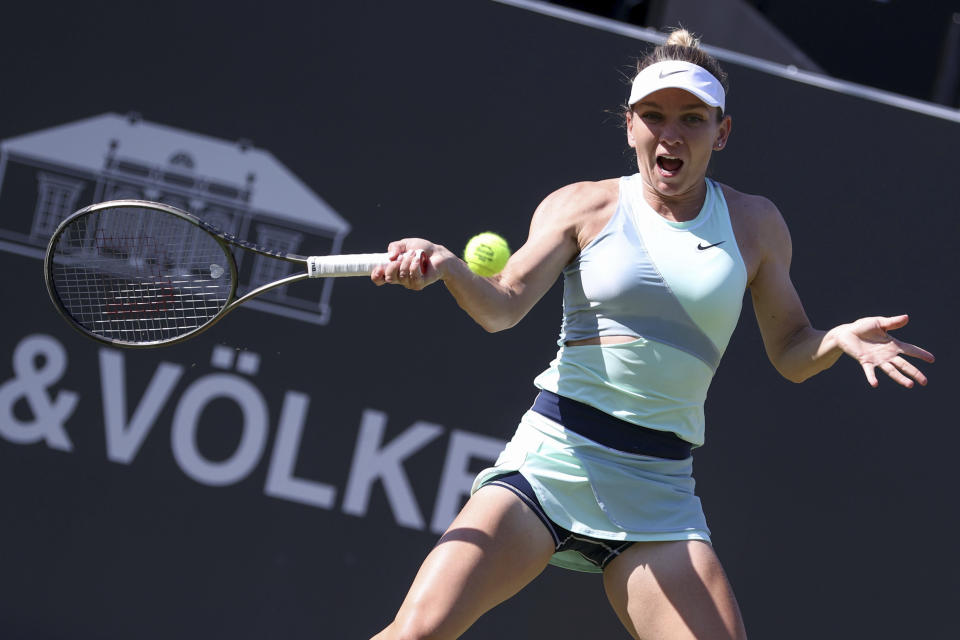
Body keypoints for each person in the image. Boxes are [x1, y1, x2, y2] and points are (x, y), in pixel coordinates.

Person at [367, 29, 934, 640]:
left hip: (659, 492)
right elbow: (500, 308)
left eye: (693, 118)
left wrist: (837, 339)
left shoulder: (756, 225)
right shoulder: (581, 207)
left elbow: (793, 351)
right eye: (655, 116)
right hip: (552, 462)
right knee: (415, 635)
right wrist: (450, 268)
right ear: (630, 125)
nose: (672, 133)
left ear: (722, 132)